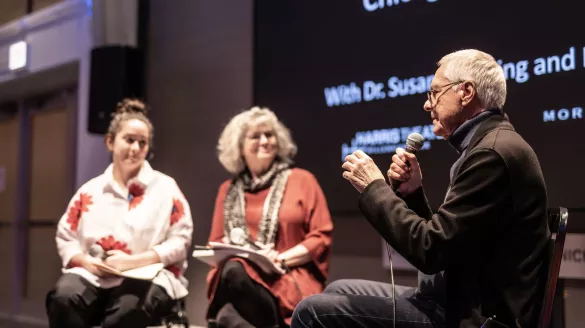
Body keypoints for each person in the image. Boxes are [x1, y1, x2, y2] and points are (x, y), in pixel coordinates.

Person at [292, 49, 550, 328]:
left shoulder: (492, 154)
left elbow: (431, 252)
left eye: (433, 93)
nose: (427, 106)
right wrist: (413, 193)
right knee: (338, 290)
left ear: (465, 92)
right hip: (455, 297)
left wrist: (374, 187)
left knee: (313, 311)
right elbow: (447, 244)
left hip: (474, 316)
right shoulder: (489, 145)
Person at [45, 99, 194, 328]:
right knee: (64, 298)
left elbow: (180, 240)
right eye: (129, 140)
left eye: (142, 143)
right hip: (95, 275)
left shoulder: (166, 188)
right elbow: (66, 236)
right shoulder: (90, 190)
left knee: (125, 314)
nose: (135, 148)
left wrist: (133, 261)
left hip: (148, 276)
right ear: (110, 142)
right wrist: (87, 262)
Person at [206, 107, 333, 328]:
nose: (265, 141)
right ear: (240, 147)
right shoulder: (227, 189)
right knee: (233, 273)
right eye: (255, 136)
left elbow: (320, 238)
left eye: (269, 135)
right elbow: (215, 242)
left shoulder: (303, 180)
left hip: (286, 277)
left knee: (227, 316)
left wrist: (278, 259)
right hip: (241, 282)